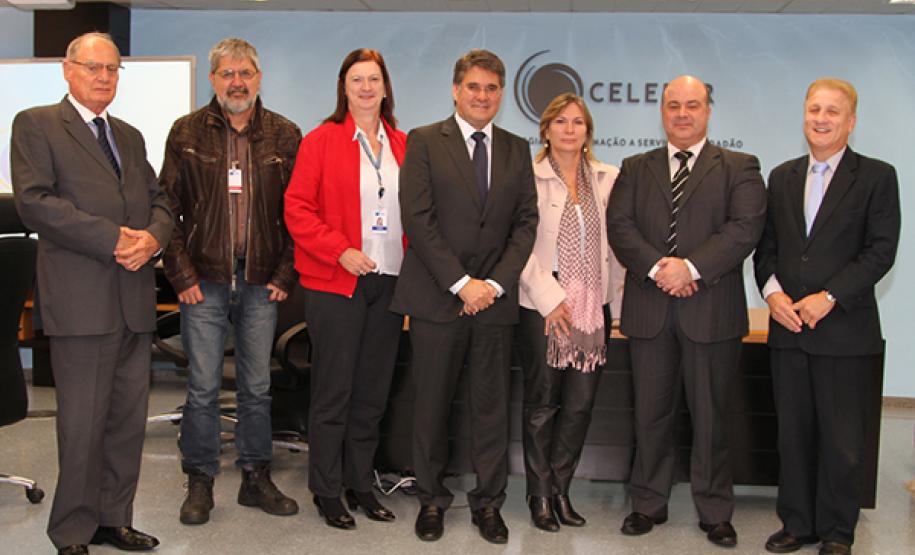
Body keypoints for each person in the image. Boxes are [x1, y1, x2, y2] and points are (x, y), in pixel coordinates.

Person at [10, 32, 172, 555]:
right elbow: (35, 204)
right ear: (67, 69)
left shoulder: (127, 135)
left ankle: (113, 519)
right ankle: (73, 531)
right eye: (93, 67)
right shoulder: (36, 125)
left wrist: (152, 238)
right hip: (82, 303)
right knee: (81, 428)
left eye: (112, 69)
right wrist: (113, 239)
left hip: (133, 299)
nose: (103, 77)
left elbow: (161, 200)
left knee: (126, 424)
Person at [607, 74, 766, 548]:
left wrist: (691, 268)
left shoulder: (739, 166)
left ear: (708, 111)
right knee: (650, 416)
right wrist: (660, 268)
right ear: (662, 111)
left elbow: (745, 228)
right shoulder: (635, 167)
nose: (682, 113)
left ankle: (715, 510)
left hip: (711, 310)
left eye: (692, 105)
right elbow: (621, 226)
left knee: (712, 417)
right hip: (650, 310)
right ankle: (647, 504)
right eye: (673, 105)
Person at [390, 49, 538, 545]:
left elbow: (525, 224)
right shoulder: (426, 141)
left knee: (491, 410)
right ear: (456, 90)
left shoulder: (518, 148)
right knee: (430, 405)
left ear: (501, 94)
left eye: (492, 88)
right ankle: (431, 500)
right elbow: (419, 219)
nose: (482, 96)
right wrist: (461, 283)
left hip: (494, 304)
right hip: (437, 298)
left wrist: (492, 285)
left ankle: (489, 504)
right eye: (473, 87)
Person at [754, 79, 900, 555]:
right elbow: (767, 250)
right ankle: (797, 523)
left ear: (850, 121)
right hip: (788, 330)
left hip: (844, 332)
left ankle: (838, 531)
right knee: (793, 436)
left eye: (832, 111)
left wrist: (830, 296)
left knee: (842, 442)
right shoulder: (782, 176)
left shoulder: (877, 177)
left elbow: (881, 252)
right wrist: (773, 296)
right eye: (814, 108)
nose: (821, 118)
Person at [159, 38, 301, 526]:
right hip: (204, 281)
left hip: (263, 281)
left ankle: (255, 477)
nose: (237, 82)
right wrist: (180, 275)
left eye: (246, 73)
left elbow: (298, 213)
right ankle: (199, 480)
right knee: (201, 386)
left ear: (259, 78)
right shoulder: (186, 133)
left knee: (256, 387)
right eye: (227, 73)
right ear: (213, 79)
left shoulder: (285, 134)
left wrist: (285, 272)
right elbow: (166, 209)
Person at [284, 48, 406, 530]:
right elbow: (297, 209)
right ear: (344, 86)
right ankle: (326, 489)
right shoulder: (321, 140)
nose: (366, 87)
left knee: (372, 394)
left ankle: (361, 483)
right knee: (334, 391)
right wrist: (339, 250)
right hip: (337, 283)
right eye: (357, 79)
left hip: (390, 283)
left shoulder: (402, 144)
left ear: (385, 86)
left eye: (374, 79)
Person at [515, 92, 623, 532]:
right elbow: (515, 243)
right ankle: (539, 495)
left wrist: (616, 303)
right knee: (543, 404)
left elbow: (618, 248)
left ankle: (561, 490)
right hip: (543, 306)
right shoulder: (527, 176)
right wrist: (548, 296)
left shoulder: (607, 178)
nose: (569, 129)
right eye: (560, 121)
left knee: (579, 405)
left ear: (588, 131)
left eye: (578, 122)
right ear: (545, 129)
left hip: (592, 309)